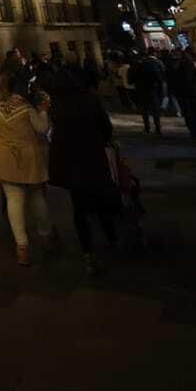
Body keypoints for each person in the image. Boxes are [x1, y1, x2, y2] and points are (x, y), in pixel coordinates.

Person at [45, 68, 120, 275]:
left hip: (71, 163)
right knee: (101, 199)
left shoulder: (56, 106)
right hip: (93, 157)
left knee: (80, 208)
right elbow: (105, 127)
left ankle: (88, 251)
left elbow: (53, 134)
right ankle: (112, 237)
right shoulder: (89, 99)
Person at [0, 68, 53, 266]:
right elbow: (42, 129)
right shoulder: (25, 106)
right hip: (29, 156)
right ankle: (45, 235)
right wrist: (43, 111)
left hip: (4, 155)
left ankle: (22, 247)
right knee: (37, 197)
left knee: (13, 200)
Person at [167, 53, 196, 140]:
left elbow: (172, 78)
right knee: (194, 109)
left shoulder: (175, 66)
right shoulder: (192, 64)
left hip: (182, 92)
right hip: (192, 90)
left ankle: (192, 129)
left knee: (187, 111)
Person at [132, 52, 165, 135]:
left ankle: (147, 127)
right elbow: (160, 77)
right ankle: (158, 127)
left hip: (142, 90)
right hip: (153, 89)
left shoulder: (138, 65)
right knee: (155, 110)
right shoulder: (156, 64)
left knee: (144, 110)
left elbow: (133, 78)